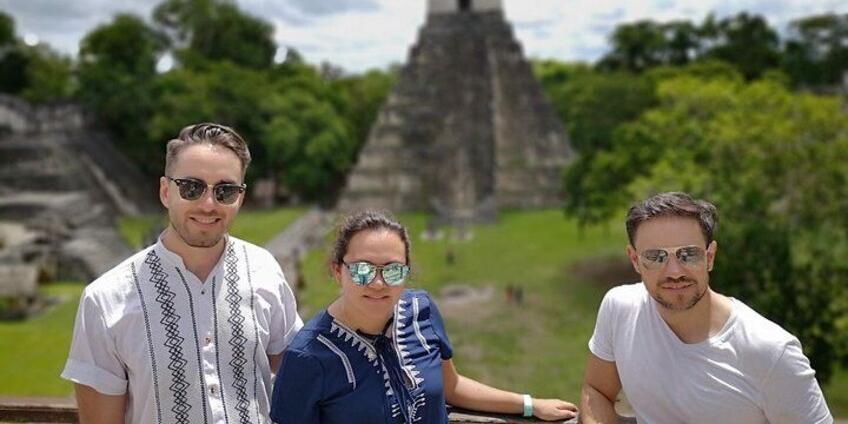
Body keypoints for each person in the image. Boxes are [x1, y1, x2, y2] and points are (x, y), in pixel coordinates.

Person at [62, 123, 303, 424]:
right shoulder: (105, 300)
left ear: (240, 197)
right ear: (166, 191)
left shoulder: (264, 270)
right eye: (192, 187)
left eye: (225, 191)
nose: (208, 204)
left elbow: (303, 372)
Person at [271, 210, 578, 423]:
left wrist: (528, 405)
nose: (378, 283)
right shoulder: (308, 357)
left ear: (407, 272)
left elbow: (451, 386)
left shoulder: (421, 311)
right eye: (362, 270)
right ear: (338, 271)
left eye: (392, 270)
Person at [580, 191, 833, 424]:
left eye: (688, 254)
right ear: (635, 260)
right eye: (655, 257)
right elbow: (597, 391)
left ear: (709, 257)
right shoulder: (620, 309)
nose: (675, 272)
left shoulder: (770, 351)